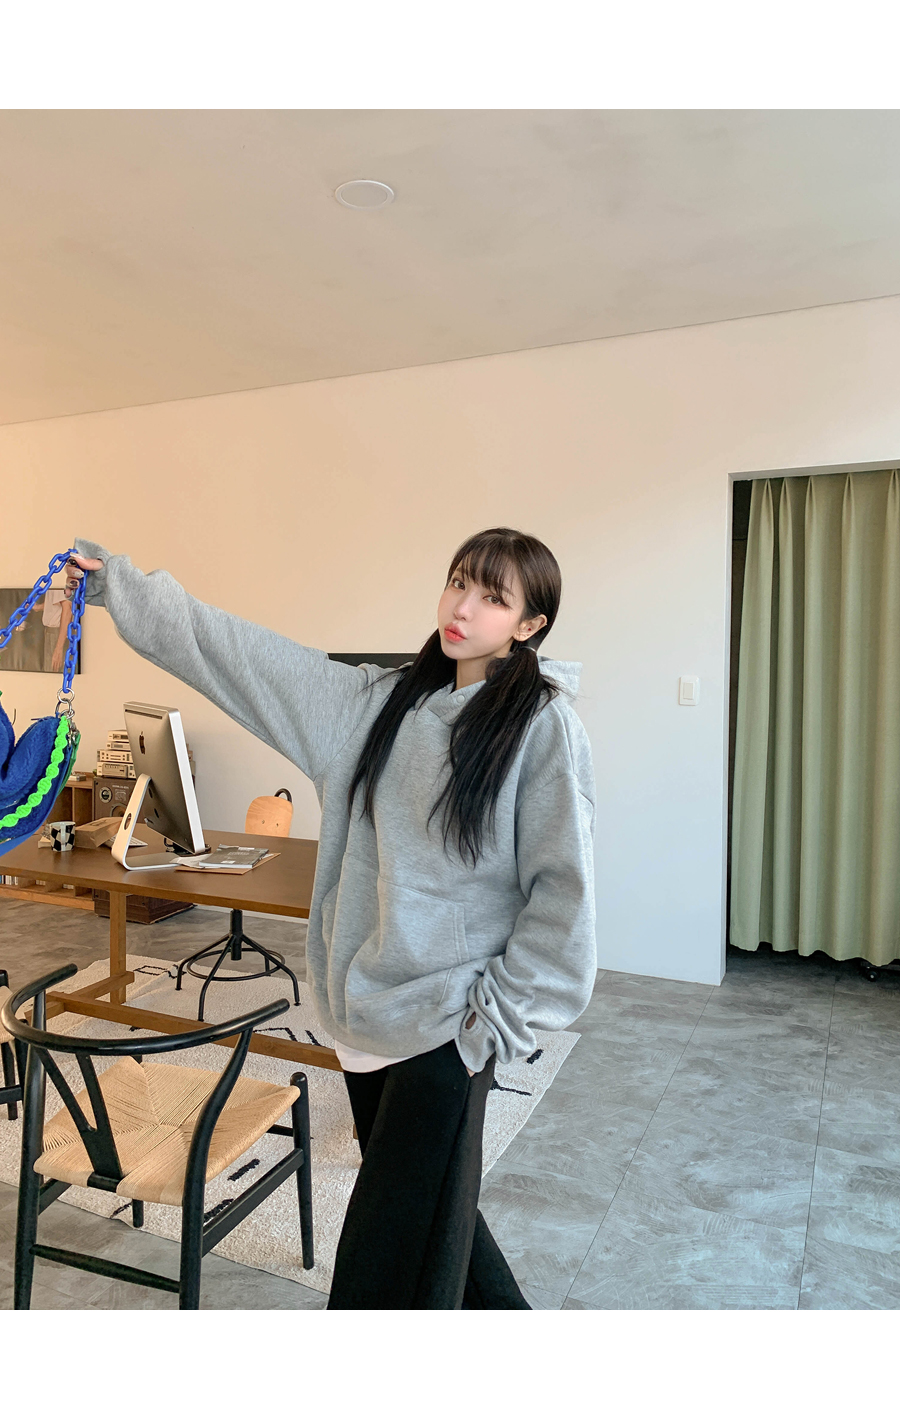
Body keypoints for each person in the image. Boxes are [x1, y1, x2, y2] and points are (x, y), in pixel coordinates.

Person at [70, 526, 597, 1310]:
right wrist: (119, 585)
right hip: (360, 1021)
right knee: (438, 1225)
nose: (462, 608)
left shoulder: (541, 727)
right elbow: (235, 653)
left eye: (493, 598)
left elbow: (563, 895)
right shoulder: (375, 706)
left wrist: (492, 1025)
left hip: (447, 1027)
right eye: (459, 582)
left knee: (385, 1258)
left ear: (530, 625)